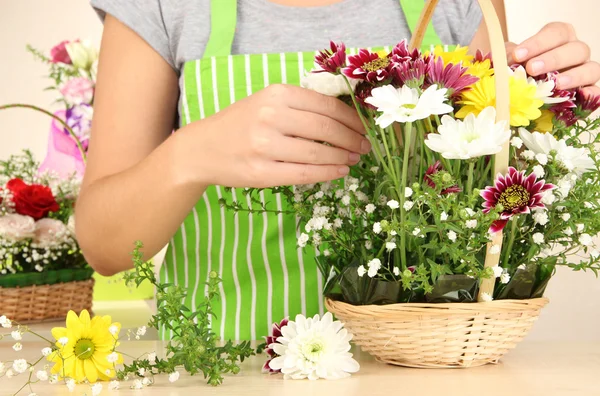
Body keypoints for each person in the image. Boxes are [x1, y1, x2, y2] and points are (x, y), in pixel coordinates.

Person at [77, 0, 600, 340]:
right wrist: (188, 154)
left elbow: (488, 197)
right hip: (224, 365)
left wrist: (548, 98)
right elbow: (104, 246)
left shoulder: (460, 3)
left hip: (419, 369)